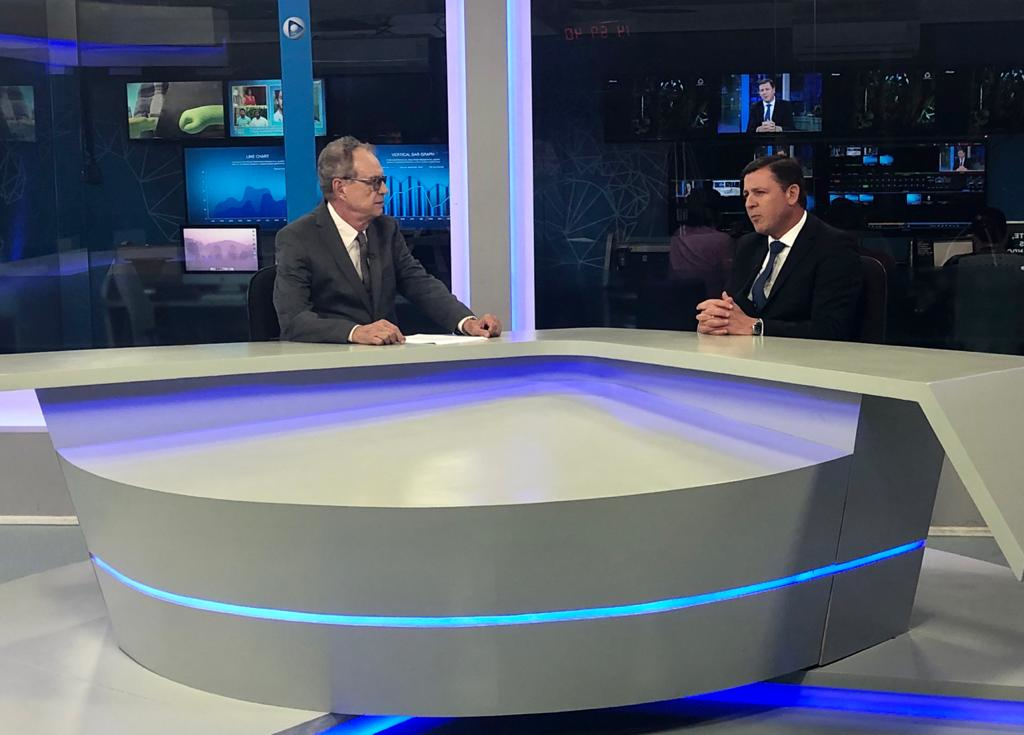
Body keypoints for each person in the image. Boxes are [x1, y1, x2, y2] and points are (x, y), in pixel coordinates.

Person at [274, 136, 502, 345]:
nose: (384, 190)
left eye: (382, 180)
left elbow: (419, 284)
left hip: (386, 360)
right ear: (340, 188)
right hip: (327, 362)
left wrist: (466, 322)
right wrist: (355, 332)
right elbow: (294, 319)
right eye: (374, 182)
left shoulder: (385, 229)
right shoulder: (298, 238)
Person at [695, 153, 863, 340]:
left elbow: (831, 329)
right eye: (746, 195)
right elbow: (733, 308)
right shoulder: (748, 245)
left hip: (801, 357)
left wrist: (757, 327)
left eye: (759, 193)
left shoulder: (833, 246)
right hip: (743, 353)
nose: (749, 204)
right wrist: (717, 319)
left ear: (792, 194)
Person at [668, 188, 735, 299]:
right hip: (715, 302)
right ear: (715, 211)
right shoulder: (722, 240)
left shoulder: (678, 234)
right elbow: (730, 279)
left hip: (680, 300)